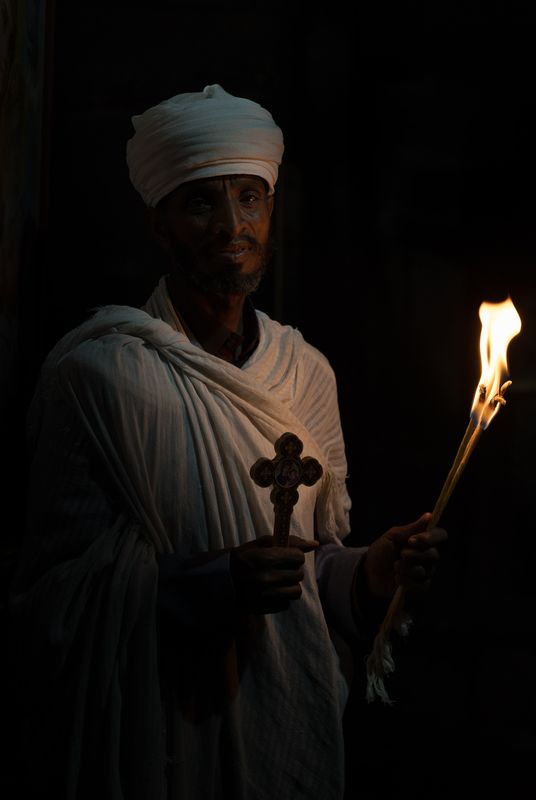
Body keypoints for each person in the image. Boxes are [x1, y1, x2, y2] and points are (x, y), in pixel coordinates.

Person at [9, 84, 447, 800]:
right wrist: (213, 585)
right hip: (168, 745)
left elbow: (315, 572)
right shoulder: (99, 377)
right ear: (159, 222)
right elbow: (53, 608)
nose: (231, 225)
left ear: (273, 209)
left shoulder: (305, 373)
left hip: (289, 734)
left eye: (250, 197)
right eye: (201, 202)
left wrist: (370, 573)